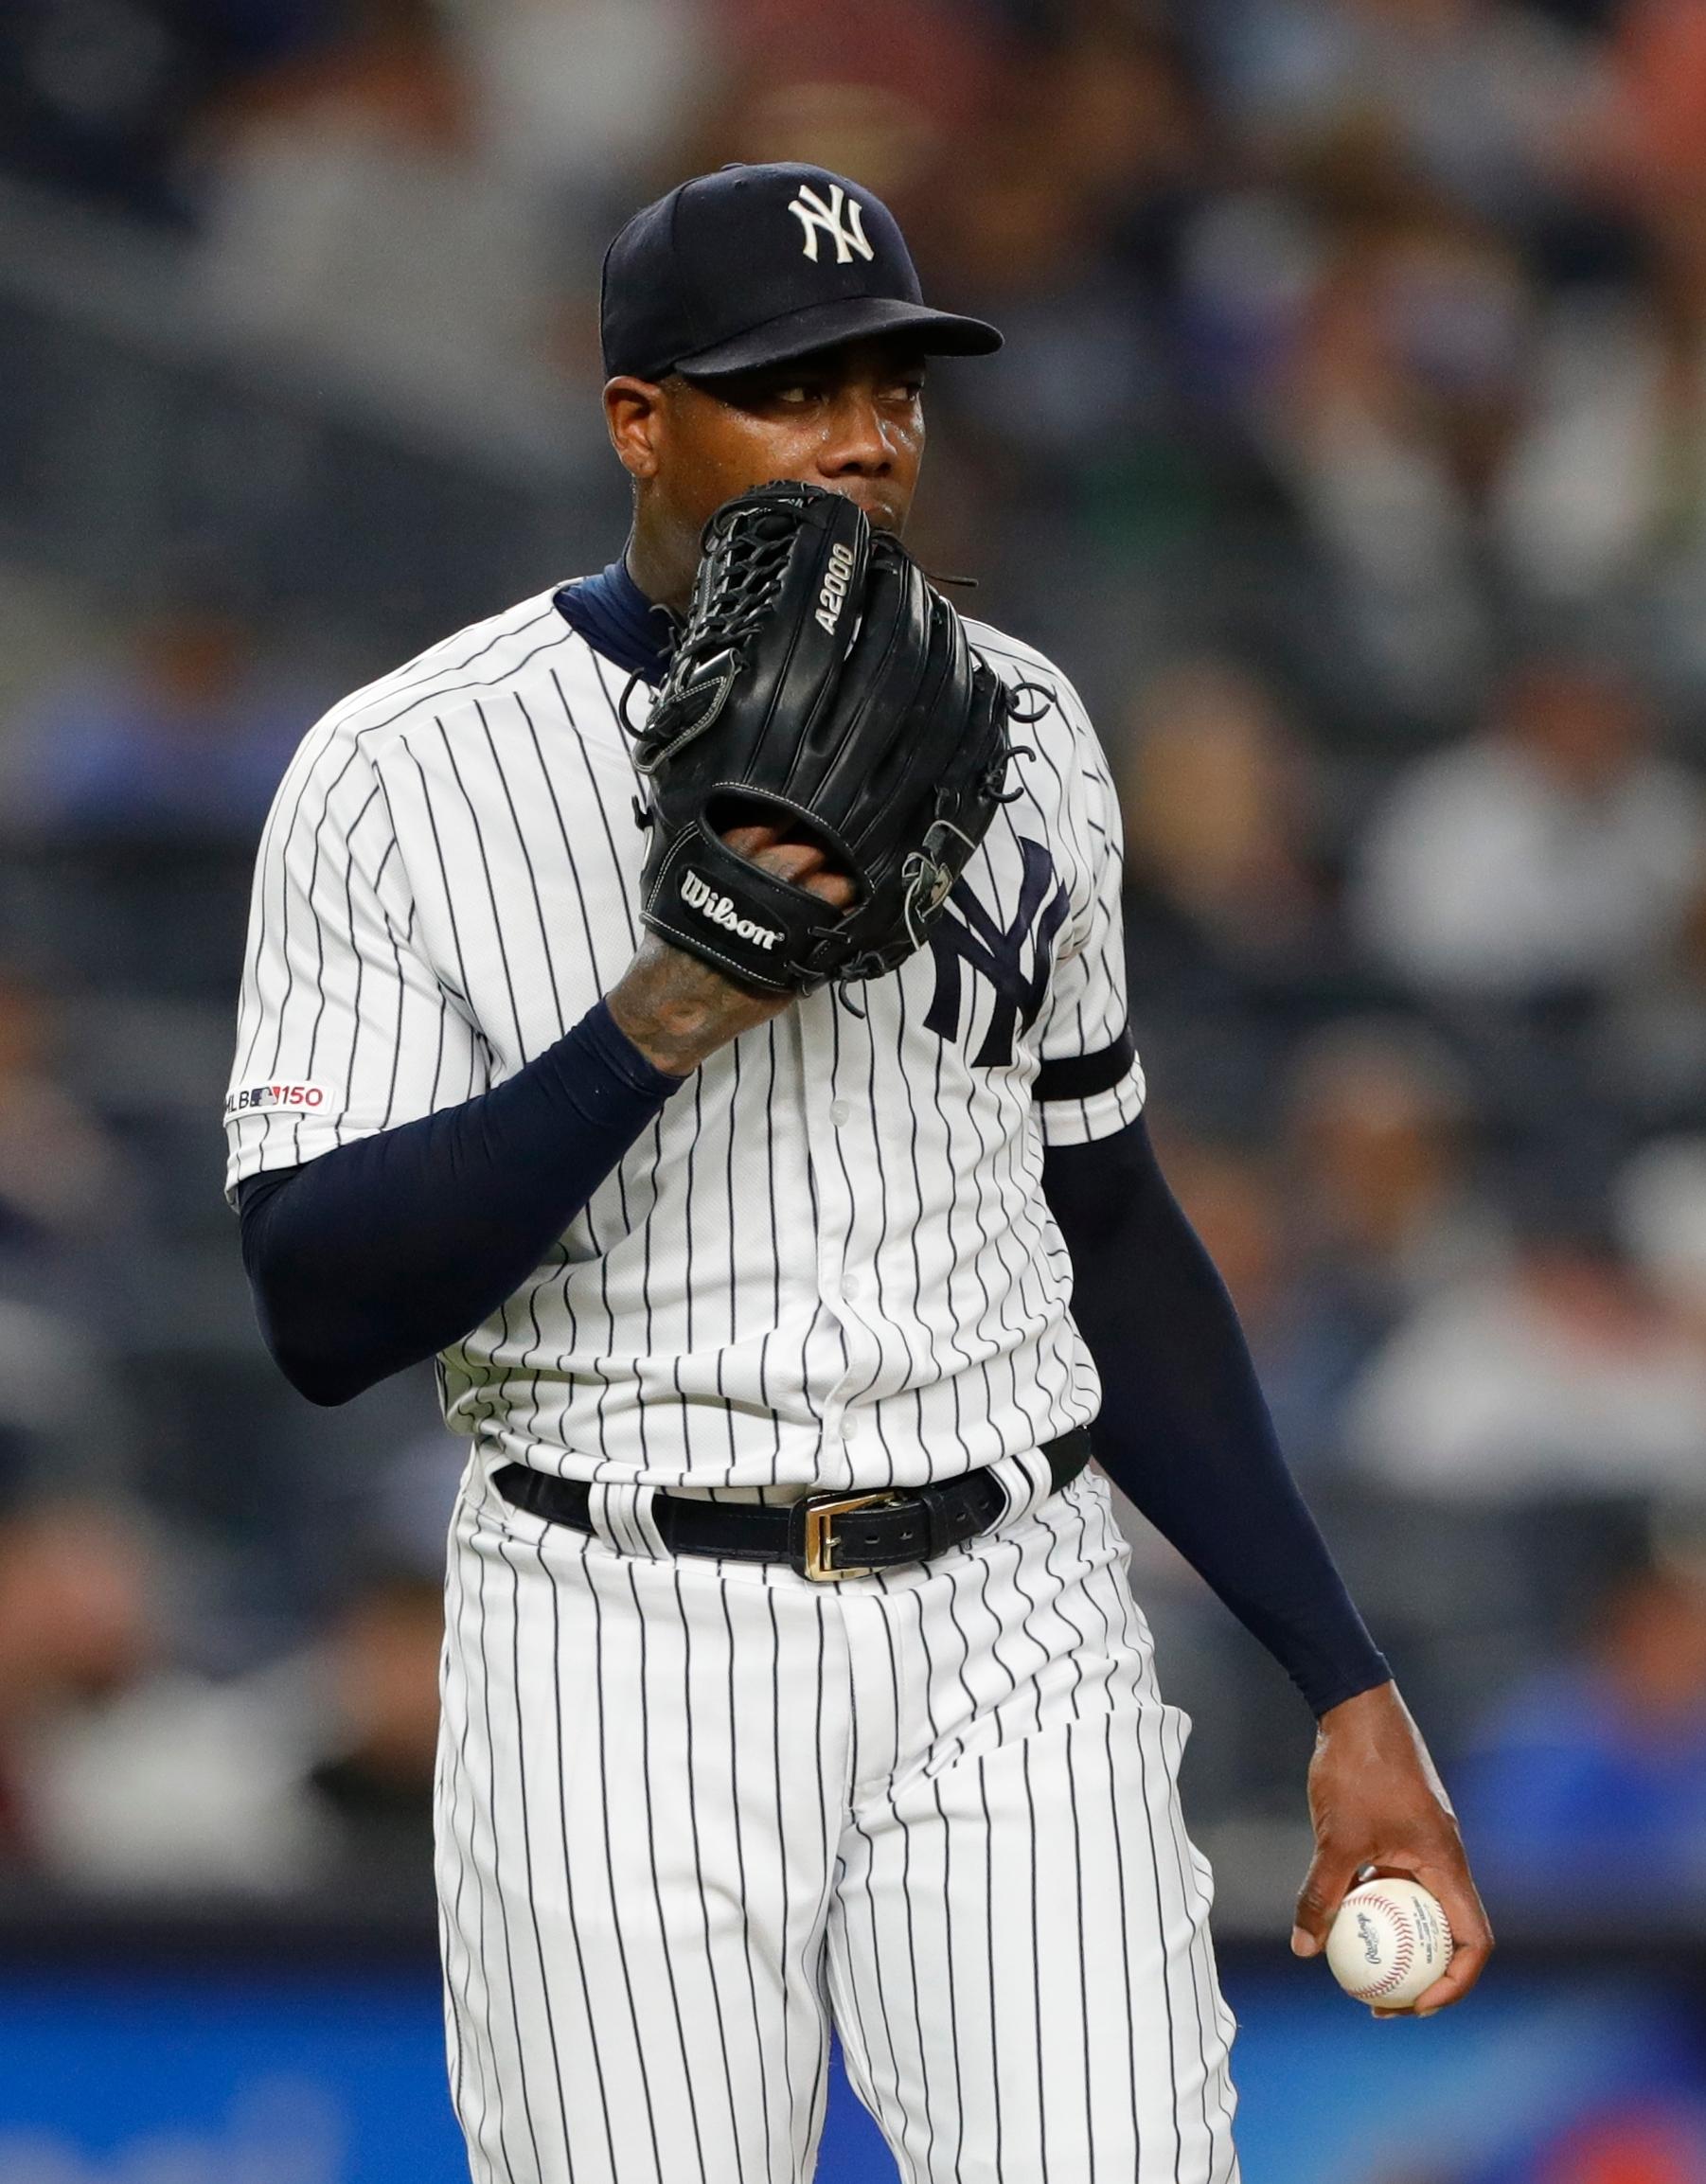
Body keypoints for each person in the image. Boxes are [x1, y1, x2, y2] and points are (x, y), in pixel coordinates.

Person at [226, 162, 1489, 2184]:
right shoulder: (406, 771)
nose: (867, 435)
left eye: (894, 383)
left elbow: (1111, 1219)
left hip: (1011, 1608)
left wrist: (1342, 1673)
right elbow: (318, 1301)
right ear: (637, 416)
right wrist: (669, 1005)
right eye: (792, 387)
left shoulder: (1034, 728)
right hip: (615, 1625)